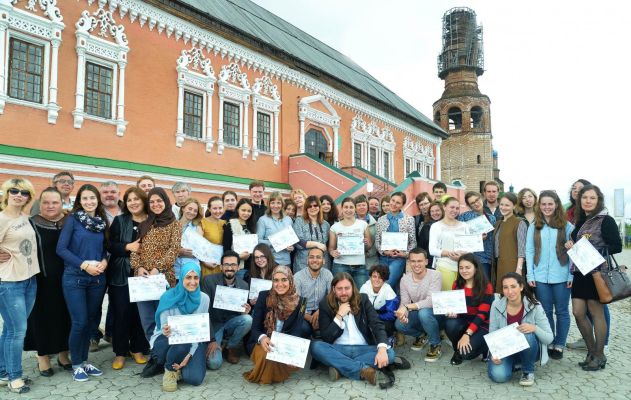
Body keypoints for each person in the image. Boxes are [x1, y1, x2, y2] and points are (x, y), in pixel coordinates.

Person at [310, 272, 408, 388]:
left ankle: (340, 367)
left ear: (353, 287)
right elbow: (326, 337)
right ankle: (362, 369)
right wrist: (339, 316)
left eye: (347, 288)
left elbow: (377, 324)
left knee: (389, 353)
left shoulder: (363, 299)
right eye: (339, 289)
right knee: (315, 347)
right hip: (339, 349)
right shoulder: (325, 304)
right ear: (333, 289)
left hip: (363, 348)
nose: (344, 292)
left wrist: (381, 349)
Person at [565, 184, 621, 371]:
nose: (588, 201)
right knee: (578, 312)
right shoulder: (581, 221)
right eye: (584, 198)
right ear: (580, 200)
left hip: (597, 273)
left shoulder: (606, 220)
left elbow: (616, 246)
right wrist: (571, 245)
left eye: (592, 198)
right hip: (580, 272)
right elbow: (577, 242)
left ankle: (599, 355)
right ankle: (591, 351)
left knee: (596, 313)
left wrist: (590, 251)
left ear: (598, 200)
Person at [56, 184, 109, 382]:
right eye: (85, 198)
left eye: (92, 198)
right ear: (79, 200)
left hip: (97, 279)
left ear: (98, 200)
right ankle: (76, 363)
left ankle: (85, 361)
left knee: (90, 322)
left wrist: (105, 261)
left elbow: (105, 249)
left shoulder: (102, 222)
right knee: (79, 322)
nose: (89, 202)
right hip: (75, 278)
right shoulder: (73, 220)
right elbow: (61, 249)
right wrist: (84, 265)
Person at [23, 187, 72, 377]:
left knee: (65, 316)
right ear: (39, 204)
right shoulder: (30, 224)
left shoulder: (69, 222)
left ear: (62, 204)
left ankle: (62, 353)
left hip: (67, 278)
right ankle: (42, 356)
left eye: (55, 202)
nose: (50, 206)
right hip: (40, 279)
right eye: (46, 202)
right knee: (41, 318)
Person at [0, 178, 39, 393]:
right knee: (17, 331)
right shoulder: (2, 219)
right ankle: (15, 378)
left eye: (23, 192)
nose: (18, 195)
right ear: (6, 193)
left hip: (29, 279)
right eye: (14, 191)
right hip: (9, 283)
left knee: (9, 330)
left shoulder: (25, 217)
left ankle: (3, 372)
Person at [243, 265, 311, 384]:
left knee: (283, 359)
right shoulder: (264, 296)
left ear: (290, 280)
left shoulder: (301, 302)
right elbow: (255, 328)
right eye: (276, 280)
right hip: (262, 343)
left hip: (285, 345)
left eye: (284, 280)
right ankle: (269, 374)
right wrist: (262, 338)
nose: (280, 284)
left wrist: (292, 350)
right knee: (267, 356)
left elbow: (296, 331)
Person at [526, 190, 573, 360]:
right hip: (540, 277)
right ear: (540, 206)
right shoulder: (534, 225)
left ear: (556, 205)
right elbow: (530, 250)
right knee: (545, 312)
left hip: (561, 276)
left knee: (561, 311)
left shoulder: (567, 226)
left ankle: (559, 344)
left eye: (550, 204)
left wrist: (571, 275)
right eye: (544, 204)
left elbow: (573, 253)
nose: (547, 207)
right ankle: (550, 340)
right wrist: (530, 274)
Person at [107, 187, 150, 370]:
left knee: (140, 314)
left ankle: (138, 349)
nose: (133, 202)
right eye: (129, 200)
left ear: (143, 201)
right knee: (121, 313)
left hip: (145, 274)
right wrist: (127, 247)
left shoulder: (152, 221)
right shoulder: (120, 220)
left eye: (136, 199)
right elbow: (109, 245)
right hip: (121, 274)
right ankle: (120, 353)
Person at [150, 262, 210, 392]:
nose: (192, 282)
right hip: (167, 339)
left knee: (195, 379)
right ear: (182, 277)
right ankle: (170, 370)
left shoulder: (204, 299)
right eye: (188, 277)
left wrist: (190, 355)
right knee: (181, 345)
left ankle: (180, 365)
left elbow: (199, 332)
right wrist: (166, 331)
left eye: (196, 277)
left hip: (193, 341)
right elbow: (164, 329)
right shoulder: (168, 297)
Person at [131, 187, 180, 344]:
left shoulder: (174, 225)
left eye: (159, 201)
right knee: (147, 320)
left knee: (165, 319)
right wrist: (138, 267)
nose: (155, 204)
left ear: (165, 201)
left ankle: (165, 354)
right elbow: (135, 249)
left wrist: (157, 268)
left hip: (163, 278)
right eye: (152, 202)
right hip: (143, 279)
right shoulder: (145, 224)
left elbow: (173, 251)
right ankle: (155, 353)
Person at [487, 272, 553, 386]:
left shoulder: (535, 305)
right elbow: (492, 333)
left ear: (521, 287)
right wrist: (494, 353)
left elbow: (549, 338)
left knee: (526, 333)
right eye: (505, 287)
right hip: (505, 349)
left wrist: (534, 328)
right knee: (499, 376)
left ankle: (528, 371)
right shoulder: (496, 304)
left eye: (513, 286)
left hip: (529, 349)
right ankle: (514, 364)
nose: (510, 291)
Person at [202, 250, 253, 369]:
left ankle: (230, 346)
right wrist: (212, 339)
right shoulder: (208, 281)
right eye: (226, 265)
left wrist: (244, 311)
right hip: (214, 325)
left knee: (248, 319)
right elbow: (204, 313)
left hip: (231, 322)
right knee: (214, 364)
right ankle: (219, 343)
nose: (230, 268)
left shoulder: (244, 285)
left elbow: (239, 311)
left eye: (233, 264)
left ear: (238, 267)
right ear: (221, 267)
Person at [394, 249, 443, 361]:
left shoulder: (436, 275)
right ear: (409, 262)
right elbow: (405, 302)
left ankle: (435, 344)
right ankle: (421, 335)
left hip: (436, 314)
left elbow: (431, 301)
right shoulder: (405, 279)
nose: (416, 264)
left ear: (426, 261)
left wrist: (408, 307)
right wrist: (402, 313)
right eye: (413, 261)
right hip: (419, 312)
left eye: (419, 261)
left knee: (424, 312)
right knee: (399, 324)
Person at [445, 254, 494, 366]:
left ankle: (485, 346)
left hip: (482, 324)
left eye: (468, 267)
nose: (464, 271)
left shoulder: (486, 286)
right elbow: (456, 308)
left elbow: (482, 315)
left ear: (476, 268)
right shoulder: (457, 284)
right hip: (464, 321)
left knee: (467, 355)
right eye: (461, 268)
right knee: (450, 323)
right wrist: (453, 314)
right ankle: (458, 350)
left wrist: (467, 334)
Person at [375, 192, 416, 292]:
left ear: (402, 205)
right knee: (389, 286)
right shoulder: (381, 219)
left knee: (387, 284)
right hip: (384, 258)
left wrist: (404, 254)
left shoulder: (409, 219)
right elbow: (377, 240)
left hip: (399, 258)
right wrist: (384, 252)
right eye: (393, 201)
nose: (394, 204)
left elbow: (413, 242)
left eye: (398, 203)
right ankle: (389, 307)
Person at [429, 196, 470, 290]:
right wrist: (449, 253)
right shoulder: (436, 226)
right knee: (448, 298)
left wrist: (461, 256)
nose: (454, 210)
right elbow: (432, 250)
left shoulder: (465, 226)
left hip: (464, 269)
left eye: (457, 208)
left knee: (464, 299)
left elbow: (470, 248)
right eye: (452, 207)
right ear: (444, 207)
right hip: (445, 267)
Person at [329, 197, 371, 288]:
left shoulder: (363, 224)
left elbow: (369, 246)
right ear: (342, 208)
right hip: (340, 266)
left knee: (361, 295)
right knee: (340, 293)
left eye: (351, 207)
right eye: (346, 207)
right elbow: (331, 248)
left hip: (360, 266)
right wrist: (333, 252)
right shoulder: (335, 227)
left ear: (355, 209)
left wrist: (366, 243)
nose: (348, 210)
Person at [294, 247, 333, 334]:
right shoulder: (298, 277)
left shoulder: (328, 274)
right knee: (304, 328)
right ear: (307, 260)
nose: (315, 260)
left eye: (318, 257)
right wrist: (310, 318)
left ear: (323, 260)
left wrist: (320, 311)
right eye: (311, 257)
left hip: (321, 310)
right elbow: (297, 302)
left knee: (328, 327)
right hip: (303, 311)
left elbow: (332, 296)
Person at [494, 192, 528, 292]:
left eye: (507, 205)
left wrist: (519, 269)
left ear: (514, 206)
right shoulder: (498, 223)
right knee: (502, 296)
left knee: (513, 293)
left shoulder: (519, 223)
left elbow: (522, 249)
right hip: (499, 264)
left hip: (512, 265)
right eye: (501, 204)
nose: (503, 207)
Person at [458, 191, 496, 279]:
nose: (476, 203)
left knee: (485, 286)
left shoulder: (491, 218)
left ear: (481, 198)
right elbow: (460, 239)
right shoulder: (464, 217)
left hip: (488, 258)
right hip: (471, 258)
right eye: (472, 203)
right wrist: (477, 239)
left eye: (477, 200)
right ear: (469, 205)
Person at [360, 265, 399, 343]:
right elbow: (360, 308)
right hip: (369, 315)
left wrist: (376, 317)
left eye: (380, 277)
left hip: (384, 316)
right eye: (374, 276)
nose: (377, 280)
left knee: (387, 326)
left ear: (384, 279)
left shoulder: (388, 290)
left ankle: (389, 338)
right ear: (370, 277)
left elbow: (391, 315)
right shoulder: (364, 288)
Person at [293, 195, 330, 273]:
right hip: (303, 264)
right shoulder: (299, 221)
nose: (313, 208)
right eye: (310, 206)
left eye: (315, 205)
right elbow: (298, 242)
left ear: (319, 207)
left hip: (322, 264)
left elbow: (328, 244)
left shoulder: (326, 224)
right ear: (306, 208)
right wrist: (317, 244)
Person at [257, 192, 294, 266]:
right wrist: (275, 242)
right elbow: (258, 240)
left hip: (286, 261)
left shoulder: (288, 220)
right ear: (269, 204)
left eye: (278, 203)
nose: (276, 206)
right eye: (273, 203)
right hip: (270, 260)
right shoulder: (263, 220)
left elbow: (292, 240)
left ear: (282, 204)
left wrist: (291, 247)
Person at [223, 198, 256, 279]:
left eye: (249, 211)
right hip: (238, 268)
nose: (246, 213)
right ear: (238, 210)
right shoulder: (230, 225)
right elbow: (226, 250)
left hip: (252, 268)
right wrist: (239, 256)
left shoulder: (252, 226)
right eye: (243, 210)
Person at [175, 197, 203, 279]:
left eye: (195, 211)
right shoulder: (172, 225)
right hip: (174, 270)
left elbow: (200, 251)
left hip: (191, 270)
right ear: (183, 208)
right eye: (190, 209)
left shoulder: (197, 228)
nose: (192, 212)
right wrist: (178, 251)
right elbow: (165, 247)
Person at [201, 196, 226, 276]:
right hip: (207, 264)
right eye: (215, 208)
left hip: (221, 265)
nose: (218, 211)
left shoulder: (225, 223)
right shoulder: (202, 222)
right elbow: (197, 245)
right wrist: (205, 262)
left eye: (220, 208)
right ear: (209, 209)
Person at [355, 194, 378, 271]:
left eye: (364, 205)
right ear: (355, 208)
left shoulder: (376, 223)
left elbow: (377, 241)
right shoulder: (349, 222)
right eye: (359, 205)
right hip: (354, 262)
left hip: (371, 262)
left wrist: (369, 253)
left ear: (367, 207)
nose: (361, 207)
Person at [418, 201, 444, 268]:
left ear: (443, 211)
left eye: (437, 210)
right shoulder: (426, 227)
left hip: (446, 261)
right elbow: (421, 247)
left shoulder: (449, 226)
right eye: (432, 211)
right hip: (430, 263)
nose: (435, 213)